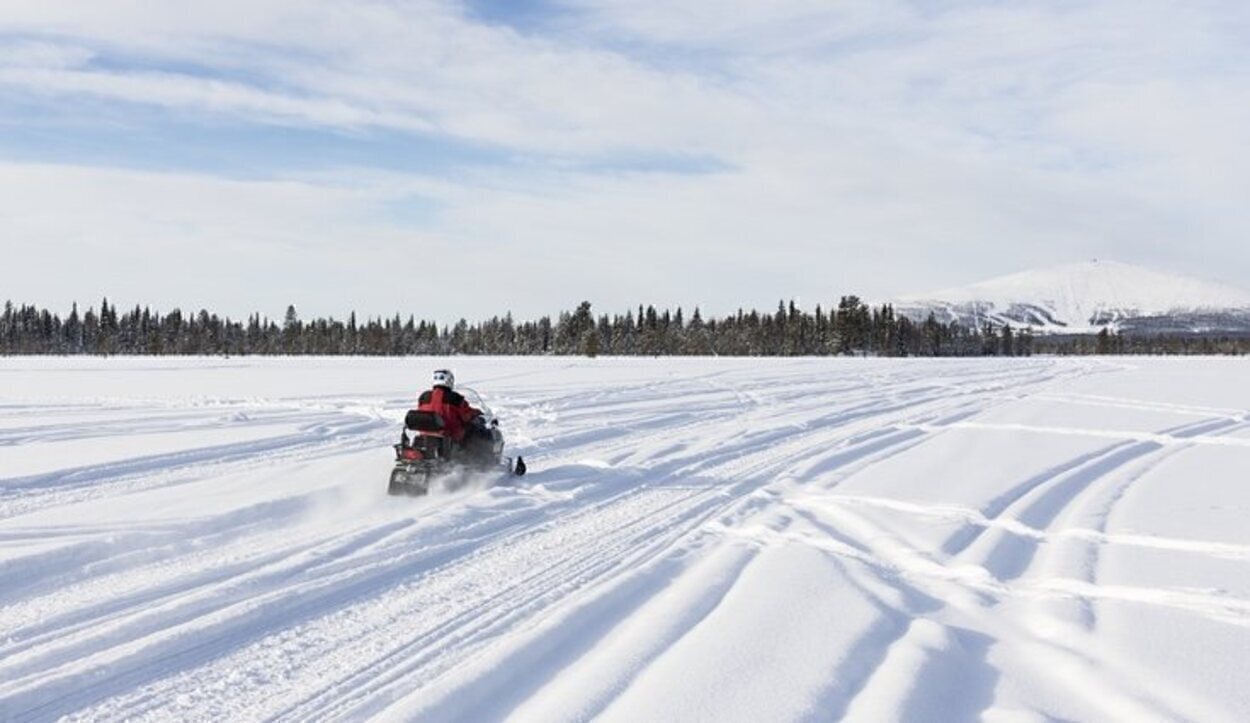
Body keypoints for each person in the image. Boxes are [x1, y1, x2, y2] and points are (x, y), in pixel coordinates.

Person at [416, 369, 480, 445]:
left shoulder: (424, 397)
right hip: (450, 434)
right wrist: (476, 413)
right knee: (474, 428)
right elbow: (466, 415)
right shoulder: (455, 398)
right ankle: (479, 455)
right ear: (449, 381)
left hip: (425, 434)